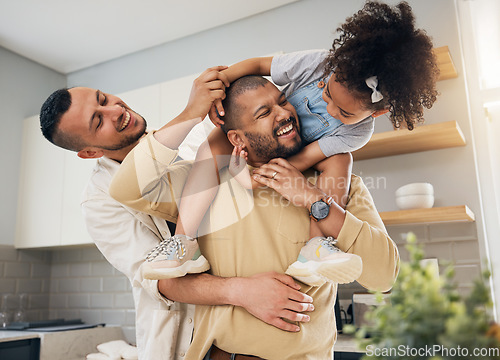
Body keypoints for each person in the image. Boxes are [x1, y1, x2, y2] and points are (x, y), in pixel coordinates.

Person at [143, 0, 438, 287]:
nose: (331, 110)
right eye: (327, 93)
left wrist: (258, 180)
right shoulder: (317, 63)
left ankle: (316, 246)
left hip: (299, 158)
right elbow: (259, 64)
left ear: (378, 111)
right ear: (334, 67)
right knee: (210, 146)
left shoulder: (358, 134)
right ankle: (183, 241)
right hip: (260, 154)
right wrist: (222, 80)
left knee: (341, 160)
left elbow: (307, 157)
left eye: (345, 113)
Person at [109, 75, 400, 360]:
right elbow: (127, 187)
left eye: (283, 101)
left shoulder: (336, 184)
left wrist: (313, 200)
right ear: (236, 137)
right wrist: (191, 114)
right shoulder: (208, 185)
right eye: (264, 113)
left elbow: (384, 276)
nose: (285, 113)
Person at [38, 67, 316, 360]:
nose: (115, 110)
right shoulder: (99, 200)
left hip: (259, 328)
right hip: (191, 341)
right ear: (91, 153)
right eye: (98, 121)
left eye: (103, 98)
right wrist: (243, 291)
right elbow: (161, 281)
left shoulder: (196, 138)